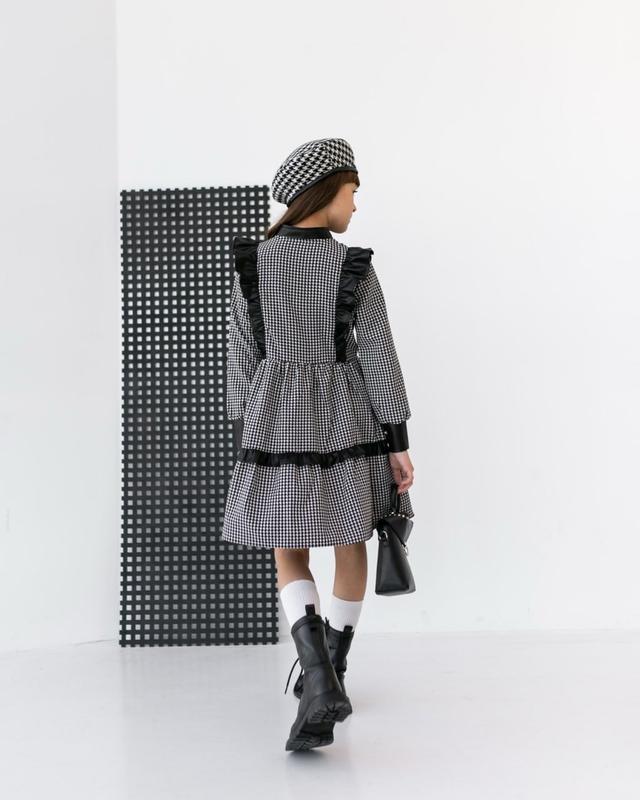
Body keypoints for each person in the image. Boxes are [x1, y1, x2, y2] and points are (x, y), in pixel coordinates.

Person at [222, 137, 415, 751]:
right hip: (346, 419)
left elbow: (240, 360)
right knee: (350, 539)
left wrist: (247, 425)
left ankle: (318, 677)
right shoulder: (351, 265)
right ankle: (332, 673)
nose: (356, 205)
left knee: (289, 544)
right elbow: (379, 357)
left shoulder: (253, 263)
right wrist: (398, 439)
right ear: (325, 191)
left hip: (272, 419)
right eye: (352, 192)